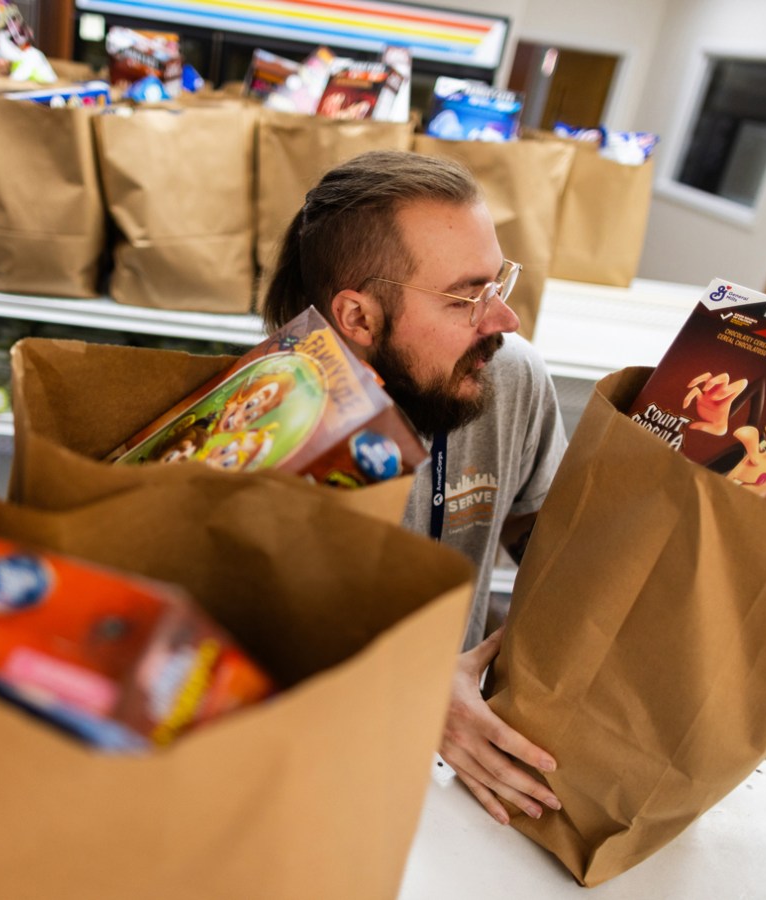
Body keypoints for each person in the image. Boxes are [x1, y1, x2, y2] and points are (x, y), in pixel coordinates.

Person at [261, 149, 568, 826]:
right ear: (359, 318)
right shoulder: (264, 431)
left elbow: (541, 539)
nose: (504, 321)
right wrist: (413, 696)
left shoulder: (509, 378)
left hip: (466, 771)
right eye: (466, 296)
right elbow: (256, 662)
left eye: (498, 283)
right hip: (311, 777)